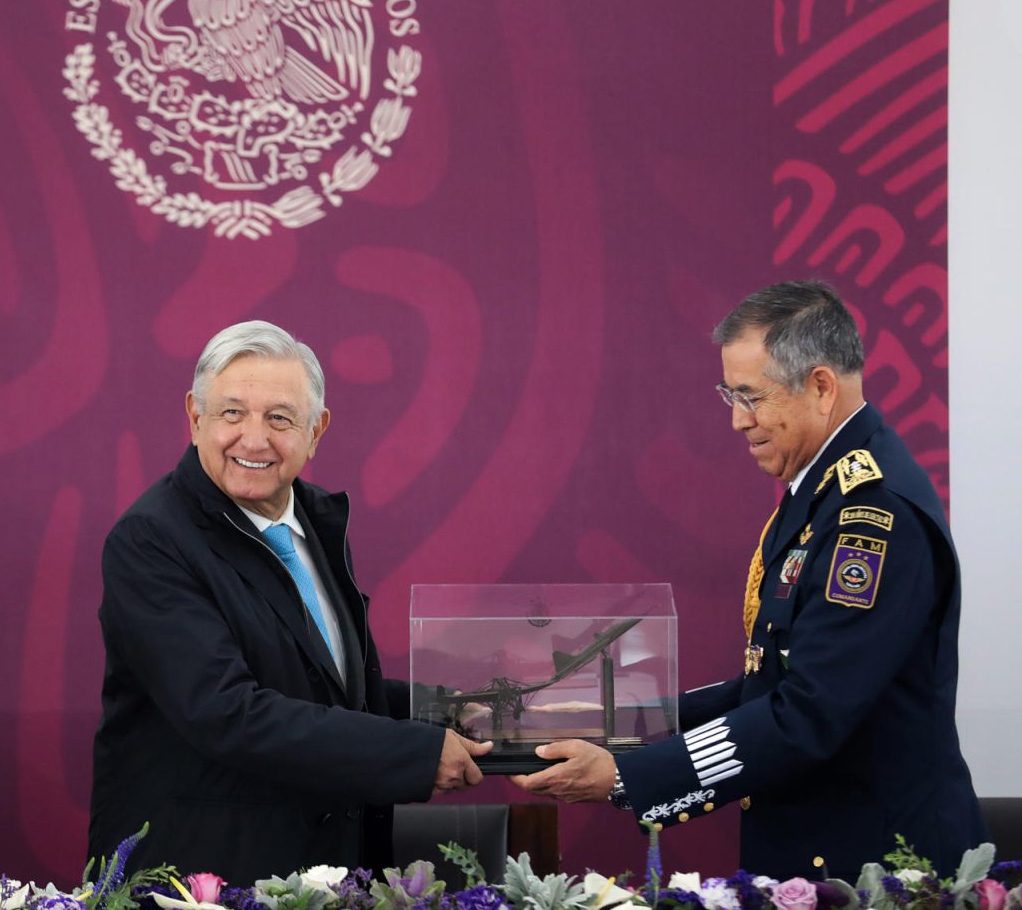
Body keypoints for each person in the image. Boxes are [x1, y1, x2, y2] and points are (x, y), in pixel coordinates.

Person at [512, 280, 985, 878]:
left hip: (885, 869)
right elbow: (769, 683)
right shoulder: (821, 490)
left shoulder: (873, 514)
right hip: (828, 860)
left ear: (819, 386)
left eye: (751, 397)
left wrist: (629, 775)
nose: (738, 422)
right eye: (728, 395)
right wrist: (625, 721)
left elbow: (807, 712)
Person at [88, 320, 491, 882]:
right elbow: (226, 712)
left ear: (316, 429)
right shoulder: (151, 540)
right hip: (201, 880)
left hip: (328, 870)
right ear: (194, 417)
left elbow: (326, 691)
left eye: (279, 418)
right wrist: (417, 754)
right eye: (232, 413)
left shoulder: (315, 520)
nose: (254, 439)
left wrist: (458, 709)